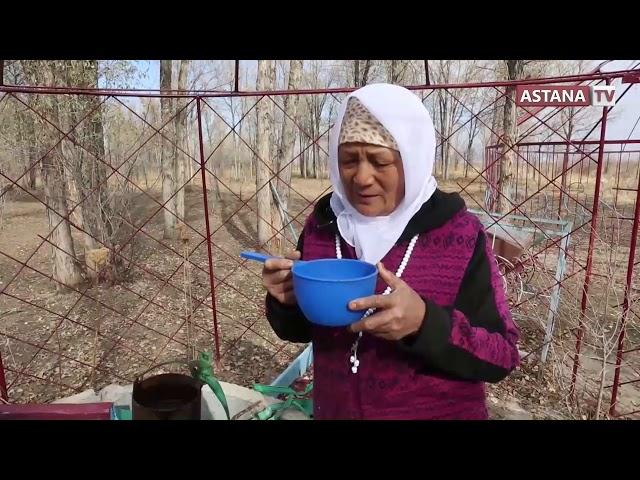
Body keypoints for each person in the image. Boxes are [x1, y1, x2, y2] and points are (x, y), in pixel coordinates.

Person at [262, 83, 520, 420]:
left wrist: (426, 323)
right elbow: (301, 329)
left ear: (412, 160)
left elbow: (501, 356)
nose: (361, 177)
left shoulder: (460, 235)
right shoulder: (325, 226)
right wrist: (287, 301)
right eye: (349, 160)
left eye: (380, 161)